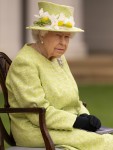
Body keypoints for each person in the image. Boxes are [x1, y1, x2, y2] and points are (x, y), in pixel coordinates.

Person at [6, 1, 113, 150]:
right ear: (41, 35)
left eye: (67, 37)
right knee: (106, 143)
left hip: (62, 126)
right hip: (36, 131)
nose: (63, 43)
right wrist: (76, 122)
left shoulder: (58, 57)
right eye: (58, 36)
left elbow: (73, 98)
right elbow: (37, 112)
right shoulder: (25, 63)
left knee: (107, 139)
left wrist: (84, 115)